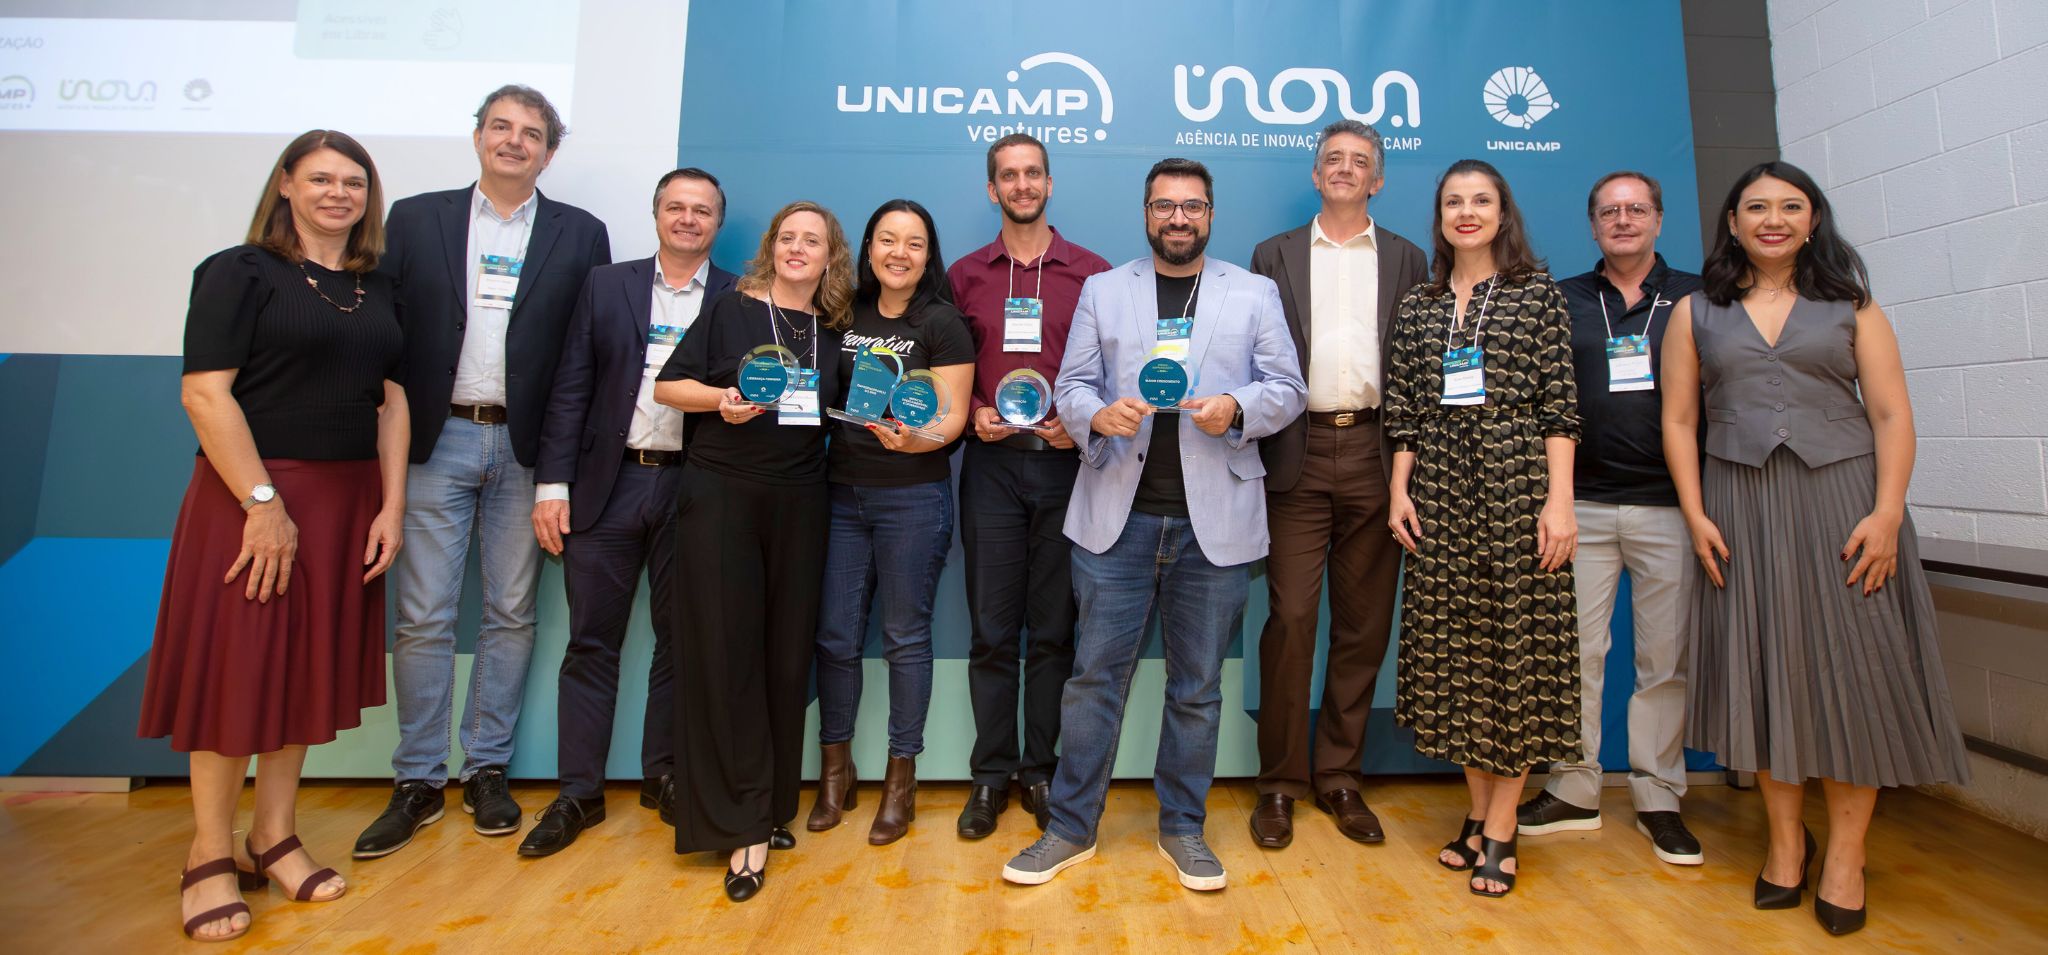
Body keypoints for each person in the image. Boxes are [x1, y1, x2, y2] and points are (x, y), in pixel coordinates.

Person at [1660, 161, 1969, 936]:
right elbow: (1679, 421)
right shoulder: (1695, 311)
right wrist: (1695, 513)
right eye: (1756, 206)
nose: (1773, 218)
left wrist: (1888, 511)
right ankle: (1786, 844)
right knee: (1767, 670)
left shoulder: (1853, 308)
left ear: (1812, 219)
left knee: (1853, 674)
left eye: (1790, 206)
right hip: (1741, 506)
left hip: (1845, 507)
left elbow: (1892, 415)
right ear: (1731, 223)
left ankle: (1847, 856)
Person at [1001, 158, 1306, 892]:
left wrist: (1238, 409)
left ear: (1209, 213)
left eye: (1191, 206)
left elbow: (1288, 389)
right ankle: (1070, 827)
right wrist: (1092, 416)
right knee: (1093, 680)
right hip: (1117, 519)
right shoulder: (1107, 290)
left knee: (1197, 687)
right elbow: (1073, 387)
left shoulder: (1253, 291)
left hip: (1216, 526)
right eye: (1165, 206)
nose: (1178, 218)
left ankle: (1183, 828)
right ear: (1146, 213)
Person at [139, 129, 406, 941]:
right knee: (237, 673)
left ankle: (273, 835)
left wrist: (391, 505)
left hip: (345, 499)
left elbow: (392, 401)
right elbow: (205, 394)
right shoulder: (238, 271)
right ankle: (209, 852)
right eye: (320, 178)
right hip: (251, 499)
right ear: (285, 184)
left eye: (353, 182)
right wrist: (262, 500)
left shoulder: (375, 286)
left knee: (301, 676)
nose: (338, 193)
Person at [355, 84, 612, 858]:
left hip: (528, 449)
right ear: (477, 138)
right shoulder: (416, 218)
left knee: (510, 613)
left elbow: (582, 358)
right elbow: (387, 337)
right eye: (500, 128)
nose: (513, 141)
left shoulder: (580, 233)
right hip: (438, 439)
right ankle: (418, 779)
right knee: (425, 614)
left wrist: (559, 472)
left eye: (530, 132)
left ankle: (486, 769)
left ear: (549, 151)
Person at [517, 168, 737, 857]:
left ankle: (664, 774)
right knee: (591, 641)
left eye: (702, 211)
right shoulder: (607, 284)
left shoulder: (739, 296)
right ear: (656, 214)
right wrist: (553, 484)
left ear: (717, 224)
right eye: (677, 207)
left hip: (692, 489)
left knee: (681, 639)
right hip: (606, 486)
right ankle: (578, 791)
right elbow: (570, 387)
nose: (688, 219)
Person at [1382, 158, 1581, 899]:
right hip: (1438, 492)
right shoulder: (1421, 304)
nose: (1467, 212)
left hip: (1518, 488)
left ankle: (1502, 828)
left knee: (1516, 653)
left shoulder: (1537, 296)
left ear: (1504, 212)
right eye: (1454, 201)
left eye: (1482, 200)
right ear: (1439, 215)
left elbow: (1561, 407)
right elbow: (1403, 408)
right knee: (1450, 655)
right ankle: (1477, 810)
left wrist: (1559, 502)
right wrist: (1400, 490)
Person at [654, 201, 854, 902]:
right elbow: (666, 386)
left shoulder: (832, 332)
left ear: (831, 257)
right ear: (773, 248)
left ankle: (769, 806)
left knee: (781, 657)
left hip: (801, 503)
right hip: (723, 498)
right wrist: (722, 400)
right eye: (790, 237)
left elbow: (842, 411)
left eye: (814, 239)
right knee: (727, 653)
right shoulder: (732, 309)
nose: (800, 248)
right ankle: (737, 824)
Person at [1247, 119, 1429, 850]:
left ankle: (1341, 776)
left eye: (1360, 162)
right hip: (1296, 449)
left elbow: (1418, 369)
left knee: (1364, 625)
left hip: (1379, 453)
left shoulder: (1409, 258)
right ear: (1316, 175)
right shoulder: (1275, 254)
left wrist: (1408, 467)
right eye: (1334, 160)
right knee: (1291, 620)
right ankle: (1280, 784)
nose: (1346, 170)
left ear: (1377, 179)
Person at [1515, 171, 1706, 867]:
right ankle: (1574, 787)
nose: (1622, 221)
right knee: (1575, 655)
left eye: (1636, 210)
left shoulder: (1698, 297)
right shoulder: (1560, 298)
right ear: (1592, 224)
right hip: (1580, 505)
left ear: (1659, 219)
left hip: (1671, 505)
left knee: (1665, 658)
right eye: (1609, 212)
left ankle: (1658, 795)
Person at [946, 134, 1112, 839]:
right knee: (990, 630)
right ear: (992, 189)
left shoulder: (1093, 274)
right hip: (989, 465)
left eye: (1032, 173)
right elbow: (943, 369)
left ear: (1050, 182)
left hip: (1065, 465)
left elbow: (1116, 369)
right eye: (1008, 176)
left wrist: (1083, 426)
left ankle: (1039, 768)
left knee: (1052, 630)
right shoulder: (963, 275)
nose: (1021, 185)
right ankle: (989, 775)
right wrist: (972, 410)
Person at [807, 199, 976, 845]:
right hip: (841, 496)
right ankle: (835, 769)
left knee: (906, 637)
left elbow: (954, 417)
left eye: (913, 243)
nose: (898, 253)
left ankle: (899, 780)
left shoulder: (944, 324)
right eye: (886, 240)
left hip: (913, 498)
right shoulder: (842, 314)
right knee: (835, 637)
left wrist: (919, 440)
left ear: (927, 254)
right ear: (869, 249)